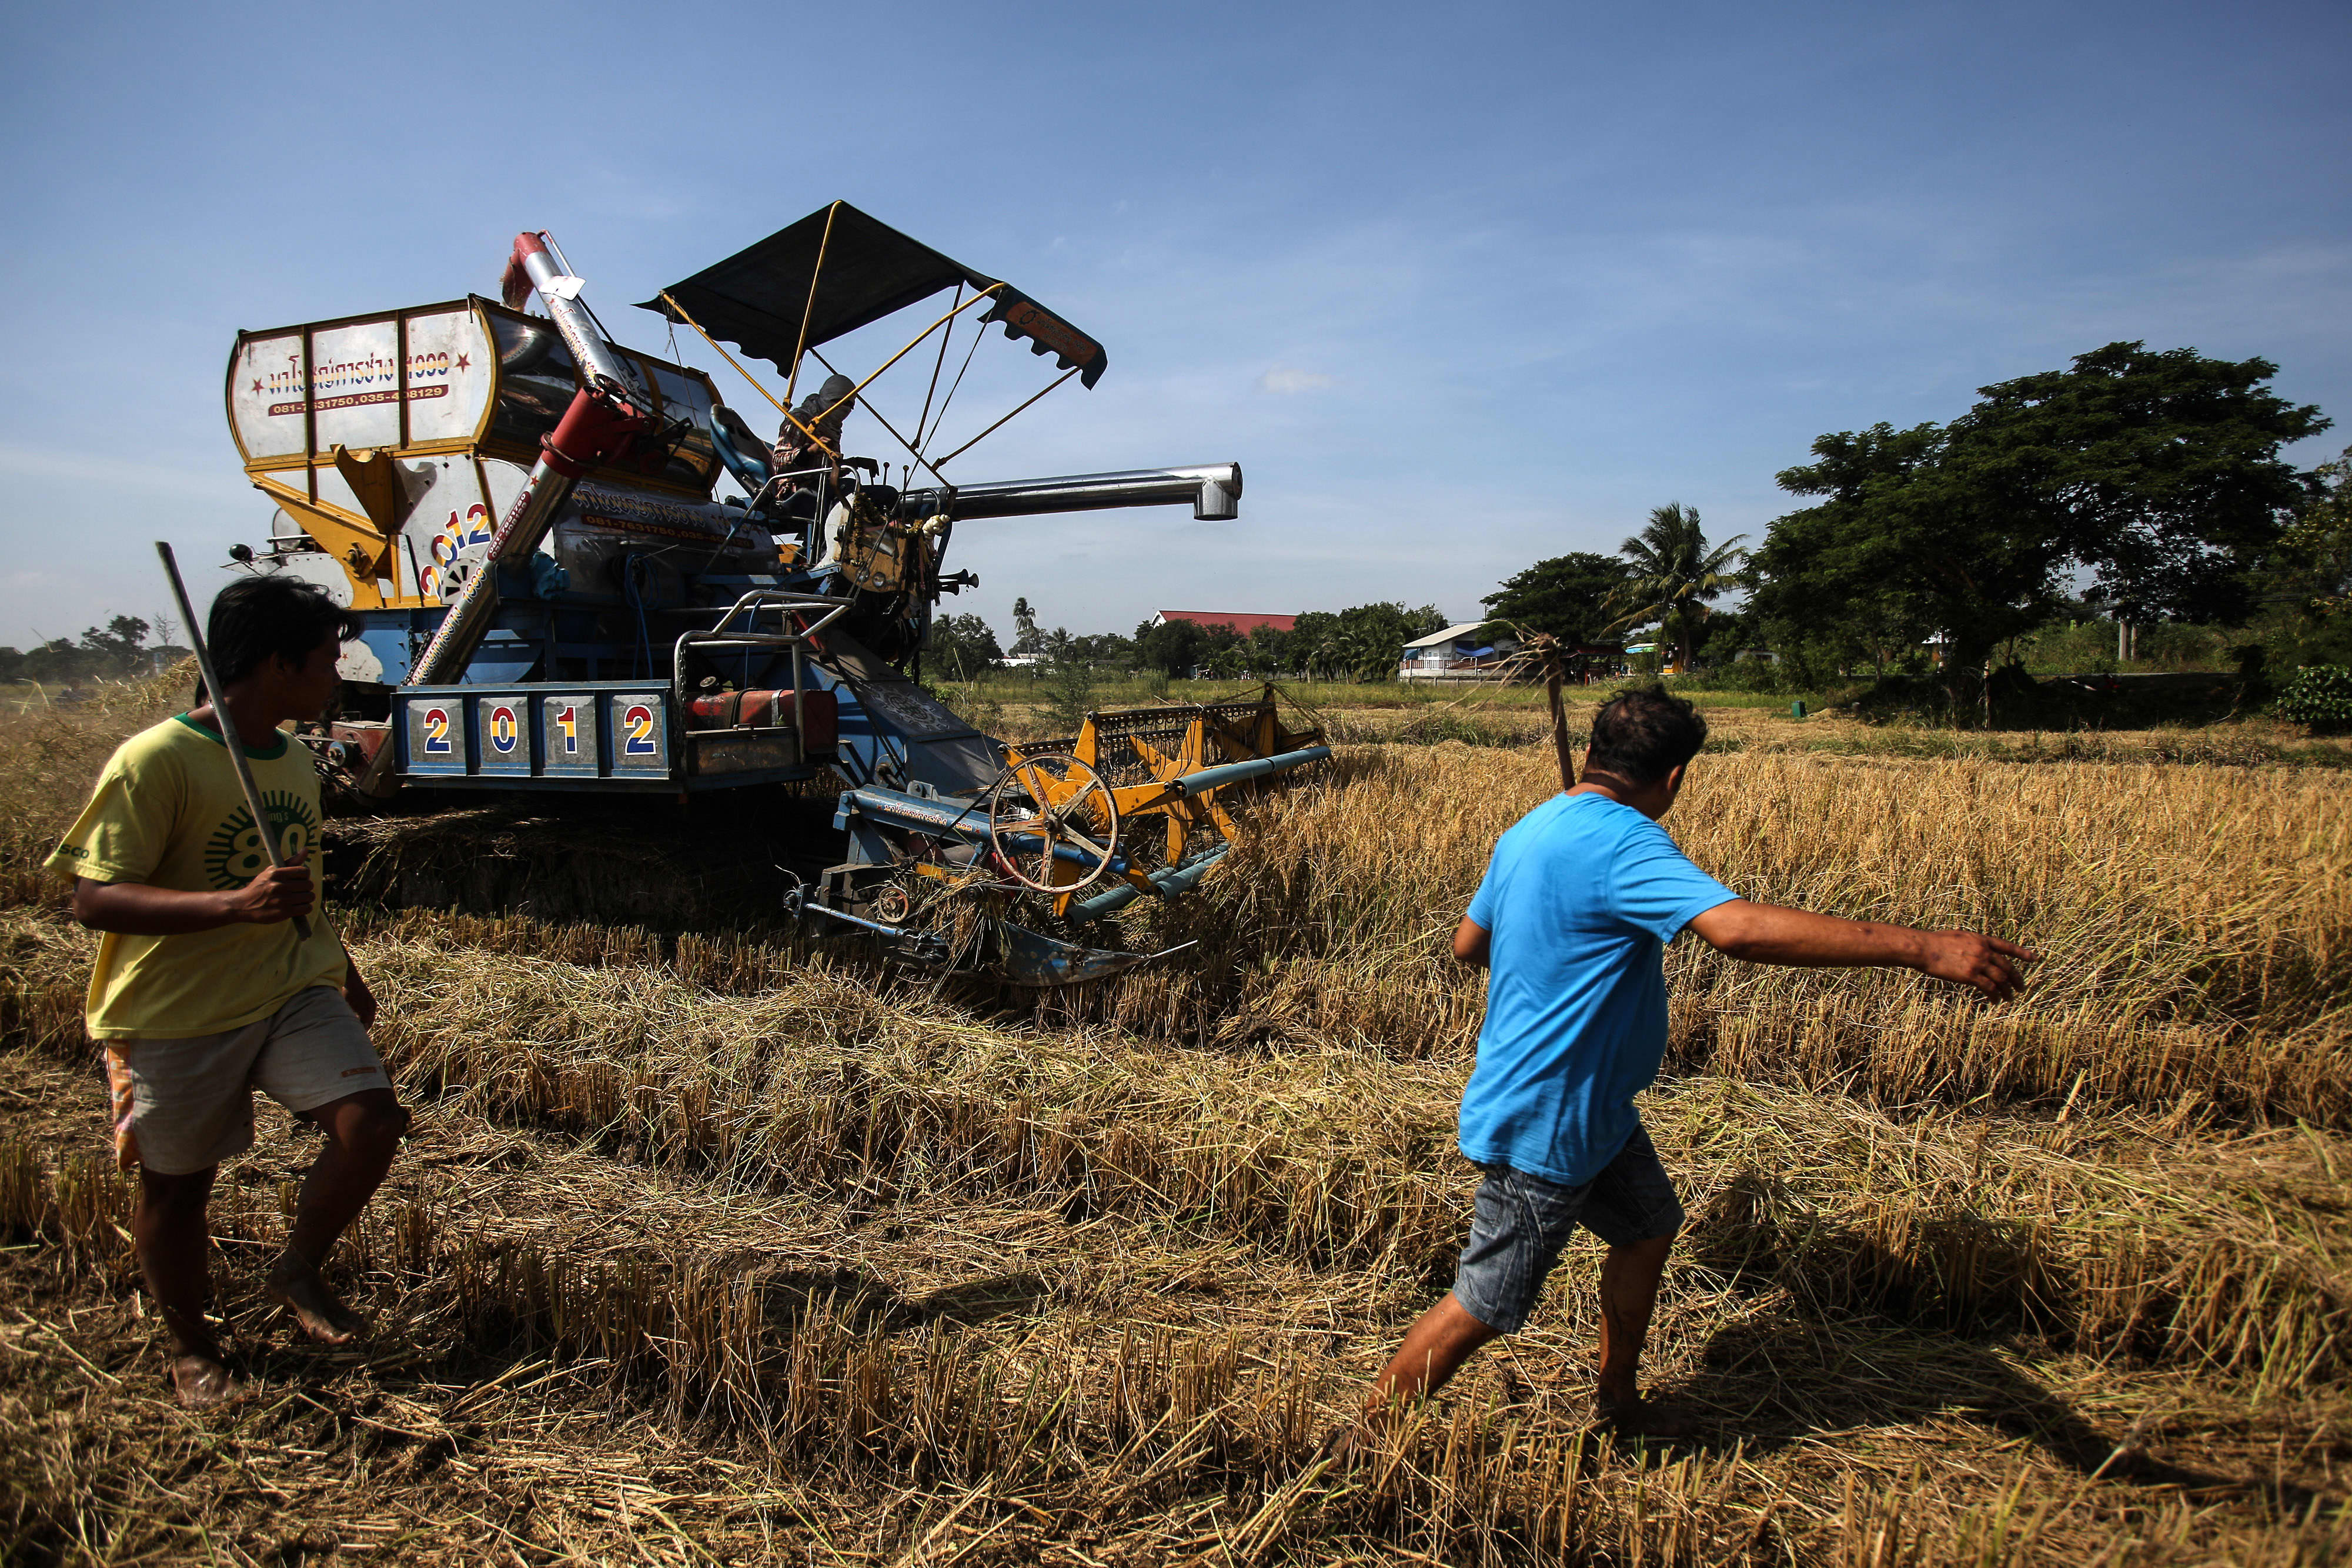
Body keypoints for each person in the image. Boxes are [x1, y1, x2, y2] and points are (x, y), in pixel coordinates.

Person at [1360, 686, 2033, 1437]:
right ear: (1674, 777)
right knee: (1487, 1301)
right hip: (1548, 1116)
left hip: (1593, 1109)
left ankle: (1617, 1397)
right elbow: (1736, 929)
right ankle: (1361, 1440)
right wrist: (1922, 947)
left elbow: (1467, 946)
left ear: (1589, 753)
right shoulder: (1624, 842)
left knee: (1647, 1227)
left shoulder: (1531, 828)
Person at [46, 576, 409, 1408]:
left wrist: (344, 971)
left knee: (373, 1122)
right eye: (326, 660)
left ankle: (297, 1269)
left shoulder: (288, 760)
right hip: (175, 1008)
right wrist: (230, 904)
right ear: (280, 663)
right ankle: (191, 1345)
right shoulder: (155, 761)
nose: (335, 676)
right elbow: (93, 898)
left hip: (289, 983)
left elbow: (300, 883)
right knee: (177, 1186)